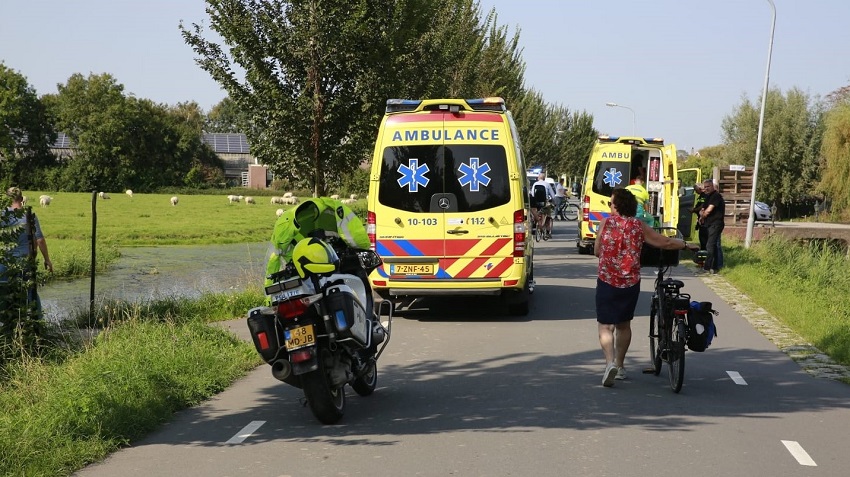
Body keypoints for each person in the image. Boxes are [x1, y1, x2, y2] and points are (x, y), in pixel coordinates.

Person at [594, 188, 698, 387]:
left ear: (616, 206)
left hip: (607, 280)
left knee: (605, 326)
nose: (609, 206)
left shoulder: (605, 224)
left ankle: (609, 364)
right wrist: (685, 245)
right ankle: (620, 366)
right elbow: (664, 242)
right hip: (630, 282)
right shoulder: (638, 226)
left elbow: (598, 251)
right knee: (623, 325)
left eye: (611, 203)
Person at [1, 187, 53, 316]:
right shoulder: (29, 216)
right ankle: (36, 324)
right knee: (31, 293)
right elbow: (39, 240)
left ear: (7, 198)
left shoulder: (2, 216)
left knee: (5, 295)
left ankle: (8, 327)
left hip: (5, 263)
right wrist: (47, 259)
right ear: (21, 198)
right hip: (26, 262)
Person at [697, 179, 725, 273]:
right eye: (705, 187)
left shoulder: (716, 196)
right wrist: (702, 215)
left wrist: (703, 215)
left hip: (716, 224)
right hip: (709, 224)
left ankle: (707, 267)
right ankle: (715, 267)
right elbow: (702, 209)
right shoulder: (708, 197)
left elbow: (708, 210)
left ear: (712, 186)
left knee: (710, 245)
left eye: (708, 186)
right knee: (713, 246)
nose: (706, 189)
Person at [530, 173, 557, 237]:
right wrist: (555, 203)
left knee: (534, 213)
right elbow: (553, 196)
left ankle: (534, 223)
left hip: (536, 203)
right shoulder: (547, 184)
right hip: (545, 203)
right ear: (544, 178)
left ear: (538, 178)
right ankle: (547, 232)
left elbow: (532, 194)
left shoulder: (535, 184)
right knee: (548, 216)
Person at [691, 183, 708, 250]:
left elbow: (702, 206)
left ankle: (705, 252)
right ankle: (703, 251)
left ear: (700, 188)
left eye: (696, 190)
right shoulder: (701, 196)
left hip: (704, 220)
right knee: (702, 238)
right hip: (701, 220)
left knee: (704, 238)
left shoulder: (705, 196)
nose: (695, 191)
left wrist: (694, 210)